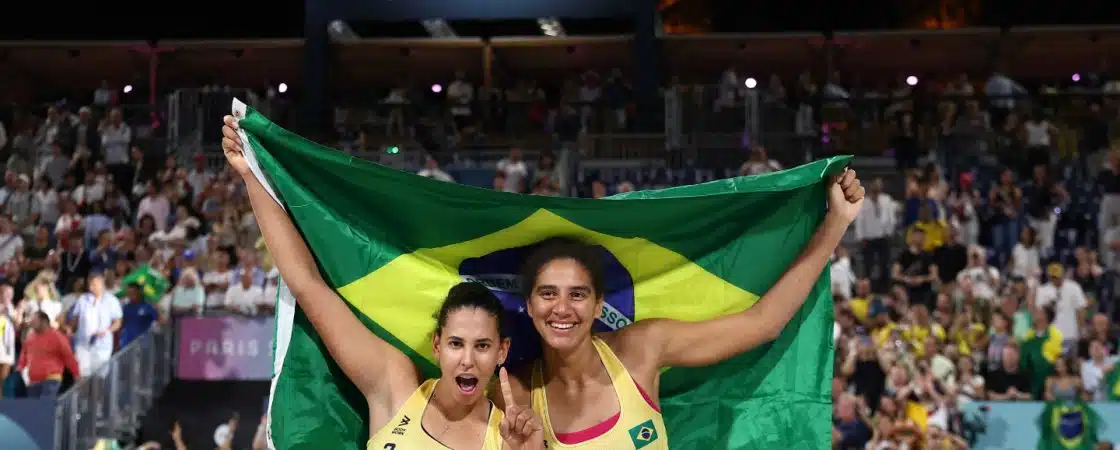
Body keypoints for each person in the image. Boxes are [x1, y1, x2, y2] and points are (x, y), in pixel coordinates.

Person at [221, 116, 544, 450]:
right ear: (436, 345)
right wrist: (252, 175)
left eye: (482, 346)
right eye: (456, 343)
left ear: (501, 351)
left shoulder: (510, 439)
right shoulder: (395, 387)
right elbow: (307, 285)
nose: (467, 360)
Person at [495, 169, 865, 446]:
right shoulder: (515, 393)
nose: (562, 308)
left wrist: (836, 222)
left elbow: (763, 322)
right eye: (547, 294)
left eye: (577, 294)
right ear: (528, 305)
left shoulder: (641, 349)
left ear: (597, 306)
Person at [16, 311, 80, 397]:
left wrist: (76, 373)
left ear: (44, 322)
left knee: (45, 405)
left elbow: (68, 356)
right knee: (34, 409)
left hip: (51, 379)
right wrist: (20, 366)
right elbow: (24, 354)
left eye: (34, 321)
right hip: (33, 381)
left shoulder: (57, 337)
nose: (31, 323)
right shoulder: (30, 337)